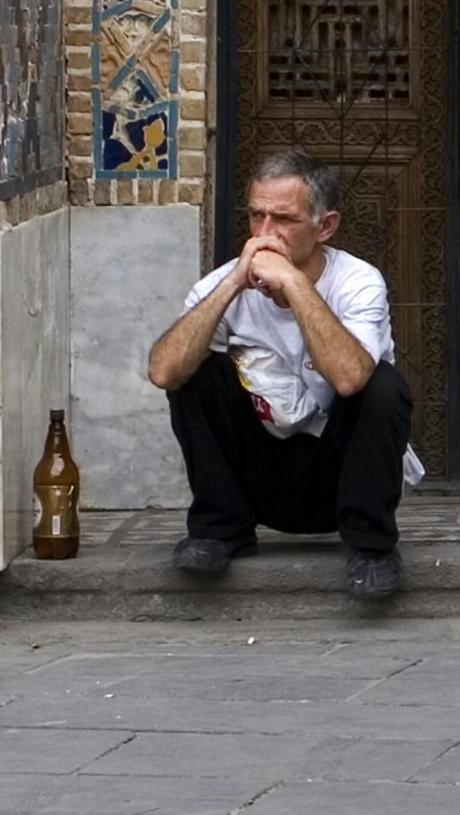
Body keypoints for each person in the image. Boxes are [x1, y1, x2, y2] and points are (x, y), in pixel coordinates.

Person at [146, 148, 413, 599]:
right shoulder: (221, 284)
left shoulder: (358, 282)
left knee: (381, 385)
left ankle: (371, 547)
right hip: (259, 477)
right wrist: (233, 282)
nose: (265, 234)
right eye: (256, 217)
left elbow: (349, 378)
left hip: (339, 477)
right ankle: (219, 530)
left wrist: (294, 283)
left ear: (324, 226)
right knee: (193, 370)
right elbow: (163, 372)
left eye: (283, 220)